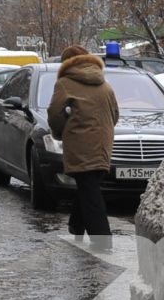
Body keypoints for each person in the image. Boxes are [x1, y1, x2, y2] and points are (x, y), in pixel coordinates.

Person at [46, 44, 118, 236]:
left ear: (66, 64)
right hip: (104, 143)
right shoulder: (105, 84)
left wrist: (60, 132)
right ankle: (76, 226)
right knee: (88, 186)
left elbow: (54, 114)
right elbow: (115, 115)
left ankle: (102, 238)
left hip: (79, 143)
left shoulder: (64, 84)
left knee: (90, 191)